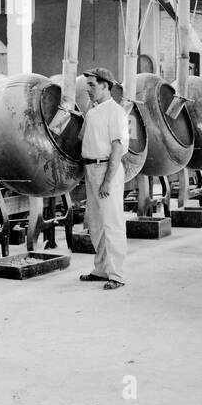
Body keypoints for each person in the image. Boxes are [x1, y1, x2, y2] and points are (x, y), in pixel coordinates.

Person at [78, 67, 129, 291]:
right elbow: (83, 139)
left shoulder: (116, 112)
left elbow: (117, 148)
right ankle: (101, 270)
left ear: (105, 86)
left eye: (92, 85)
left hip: (106, 169)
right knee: (97, 224)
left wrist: (107, 181)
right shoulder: (92, 112)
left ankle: (116, 274)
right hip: (91, 169)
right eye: (87, 84)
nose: (88, 89)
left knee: (112, 223)